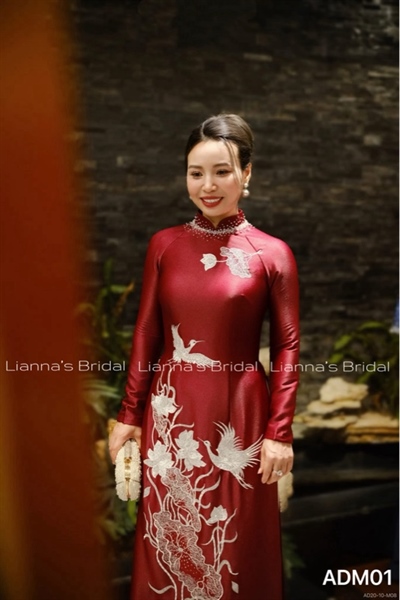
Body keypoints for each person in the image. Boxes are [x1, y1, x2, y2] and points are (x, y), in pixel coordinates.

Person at [109, 113, 300, 600]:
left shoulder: (272, 253)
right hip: (170, 414)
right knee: (169, 537)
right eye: (196, 173)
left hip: (241, 414)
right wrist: (129, 414)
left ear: (247, 173)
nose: (208, 186)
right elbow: (147, 331)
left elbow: (287, 346)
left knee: (234, 544)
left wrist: (279, 431)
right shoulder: (165, 245)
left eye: (221, 172)